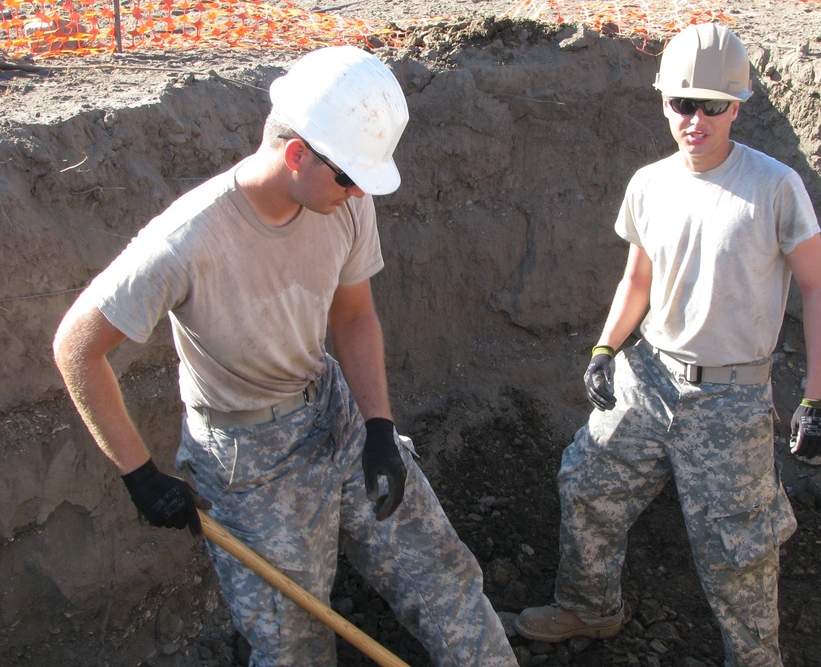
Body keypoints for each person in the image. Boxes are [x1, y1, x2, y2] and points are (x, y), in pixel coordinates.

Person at [53, 45, 517, 667]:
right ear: (297, 153)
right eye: (349, 178)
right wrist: (139, 475)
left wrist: (378, 428)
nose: (358, 195)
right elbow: (76, 348)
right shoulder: (185, 242)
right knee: (292, 645)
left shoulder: (344, 200)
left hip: (332, 409)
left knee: (442, 574)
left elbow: (352, 315)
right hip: (248, 463)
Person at [515, 23, 821, 666]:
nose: (695, 120)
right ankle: (589, 606)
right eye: (682, 104)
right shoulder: (650, 183)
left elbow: (818, 290)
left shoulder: (774, 188)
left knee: (736, 551)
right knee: (588, 484)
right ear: (664, 103)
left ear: (736, 107)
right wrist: (605, 350)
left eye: (712, 106)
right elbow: (639, 276)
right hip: (648, 377)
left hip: (729, 399)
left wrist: (817, 400)